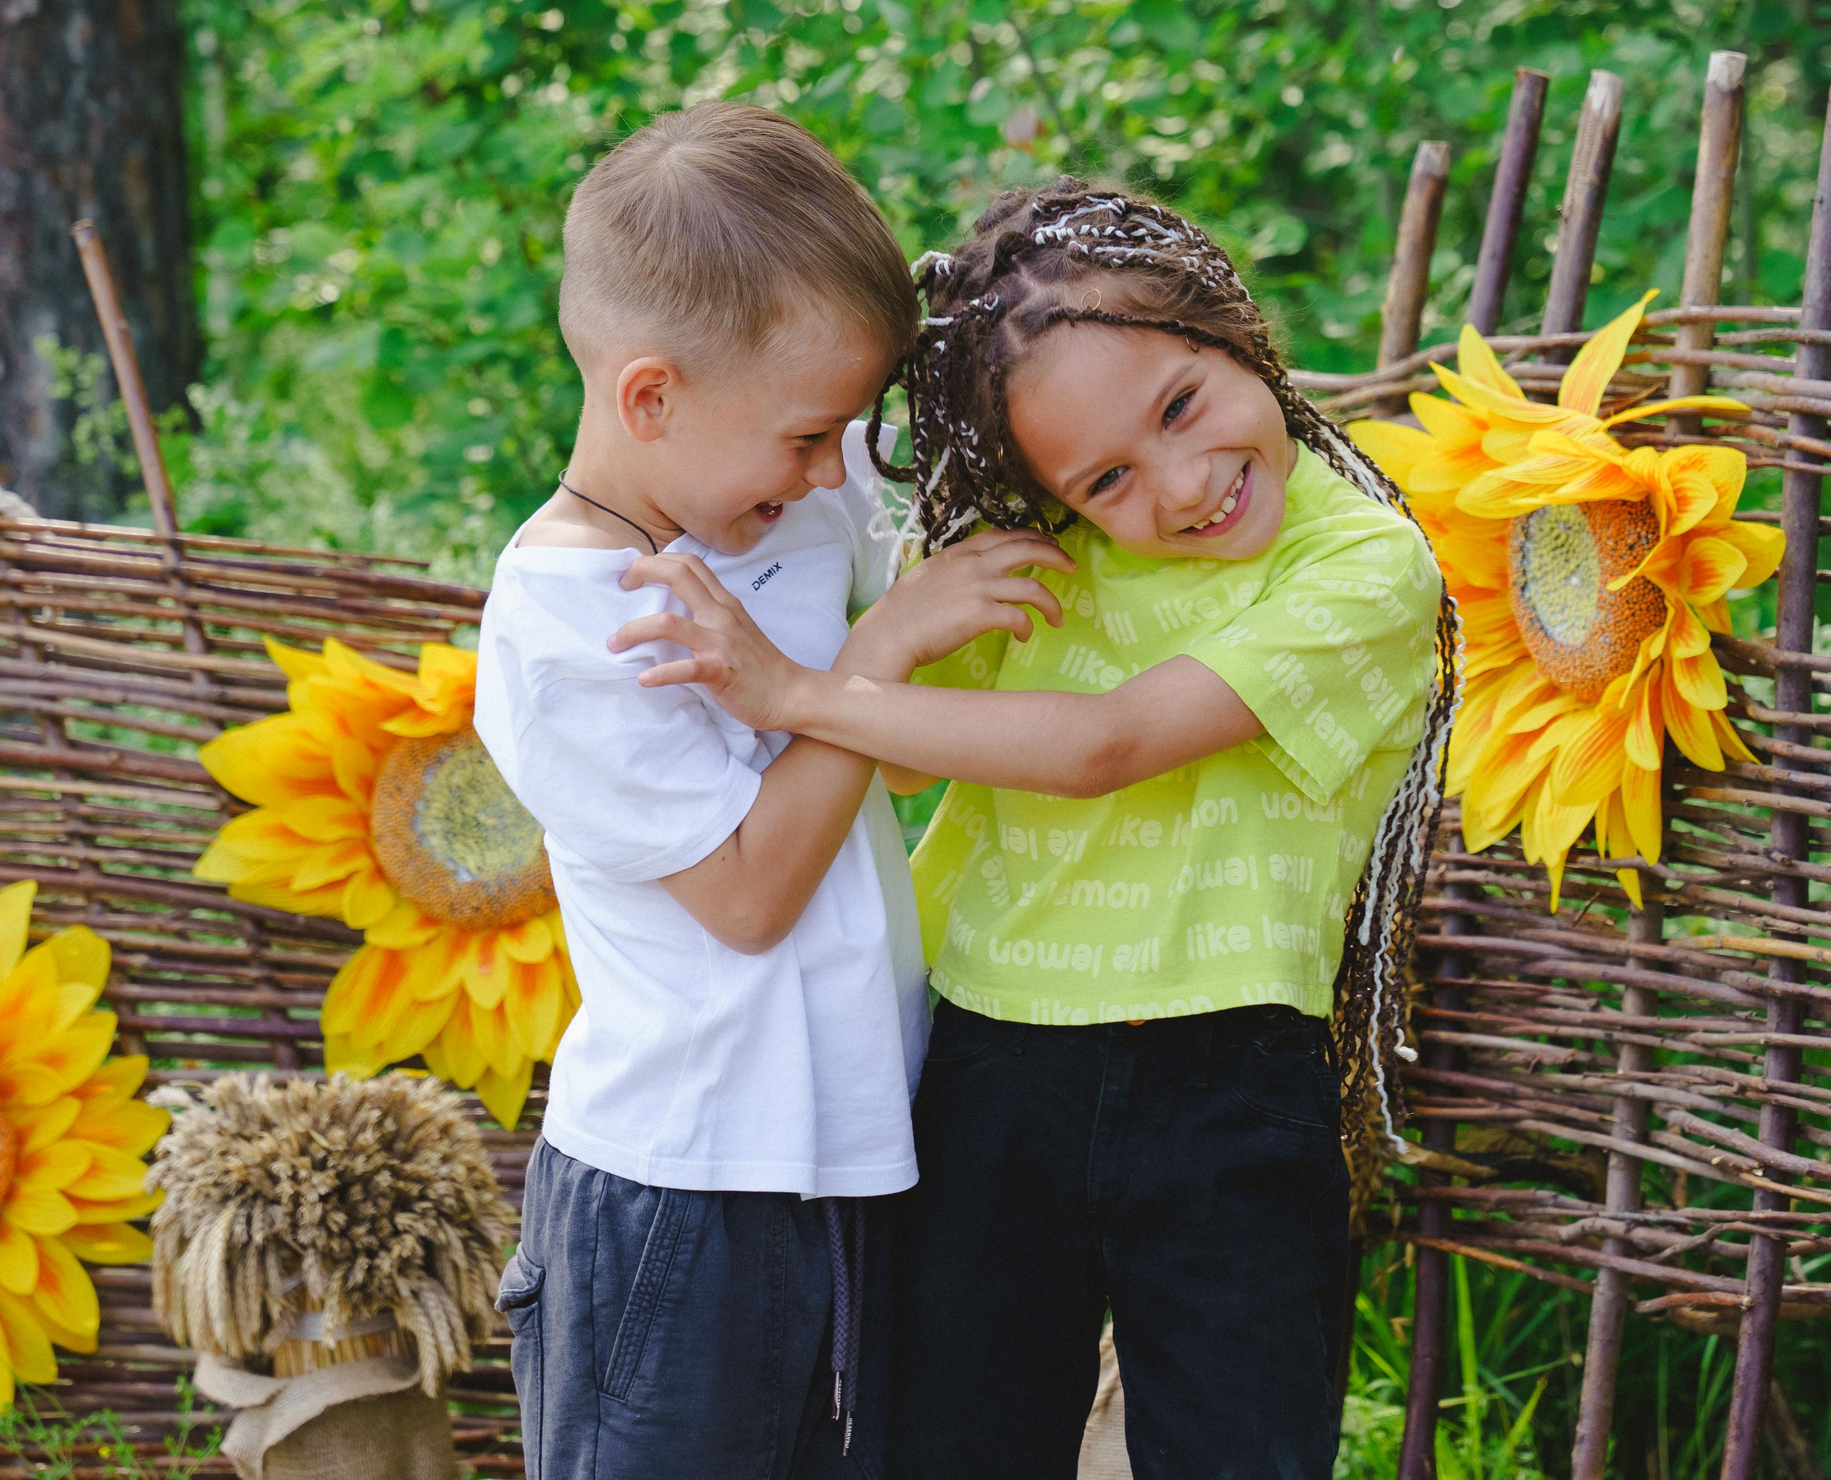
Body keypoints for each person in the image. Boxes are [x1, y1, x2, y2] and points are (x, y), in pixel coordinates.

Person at [612, 178, 1460, 1479]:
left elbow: (1104, 745)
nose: (1178, 487)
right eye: (1105, 476)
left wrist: (799, 689)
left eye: (1181, 404)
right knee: (950, 1447)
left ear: (1233, 328)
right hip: (986, 1067)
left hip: (1231, 1080)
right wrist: (885, 627)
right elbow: (889, 767)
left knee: (1239, 1454)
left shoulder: (1362, 567)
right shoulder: (1028, 554)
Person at [474, 102, 1050, 1480]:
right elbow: (745, 894)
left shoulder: (786, 505)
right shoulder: (566, 630)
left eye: (842, 432)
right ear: (651, 398)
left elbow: (885, 758)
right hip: (680, 1190)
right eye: (804, 438)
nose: (830, 469)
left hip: (853, 1149)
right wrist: (879, 648)